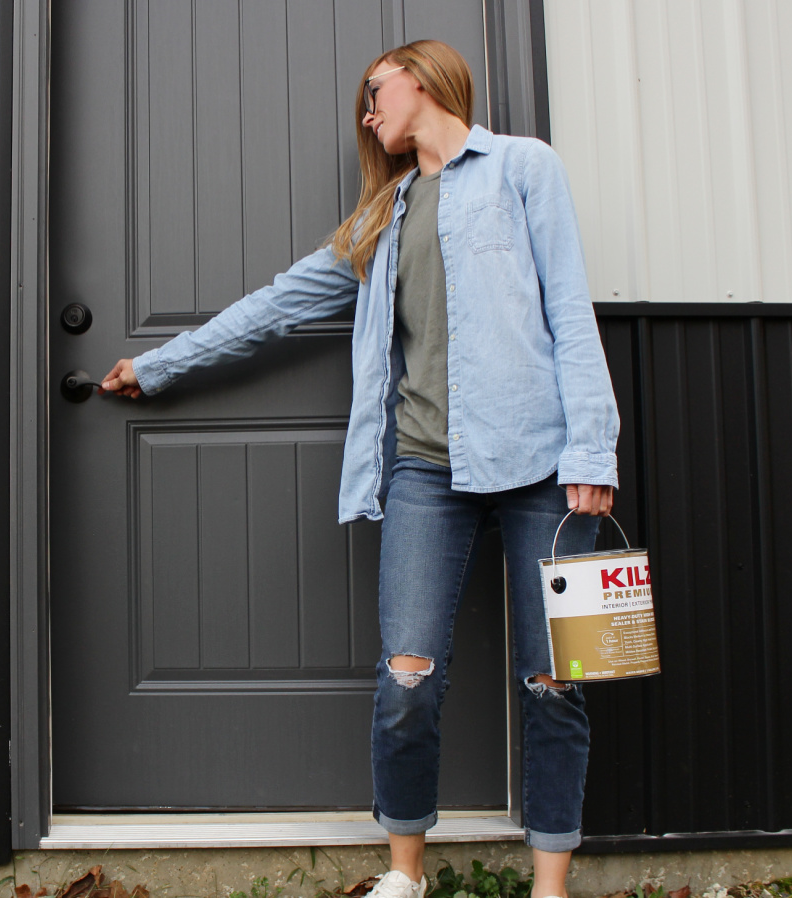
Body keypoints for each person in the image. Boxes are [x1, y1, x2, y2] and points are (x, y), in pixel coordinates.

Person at [99, 39, 618, 898]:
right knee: (407, 679)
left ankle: (550, 887)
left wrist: (592, 451)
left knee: (554, 684)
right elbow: (274, 304)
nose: (368, 113)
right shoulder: (384, 219)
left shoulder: (523, 169)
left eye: (374, 92)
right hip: (423, 469)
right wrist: (159, 365)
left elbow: (570, 308)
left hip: (544, 470)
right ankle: (405, 875)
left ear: (423, 78)